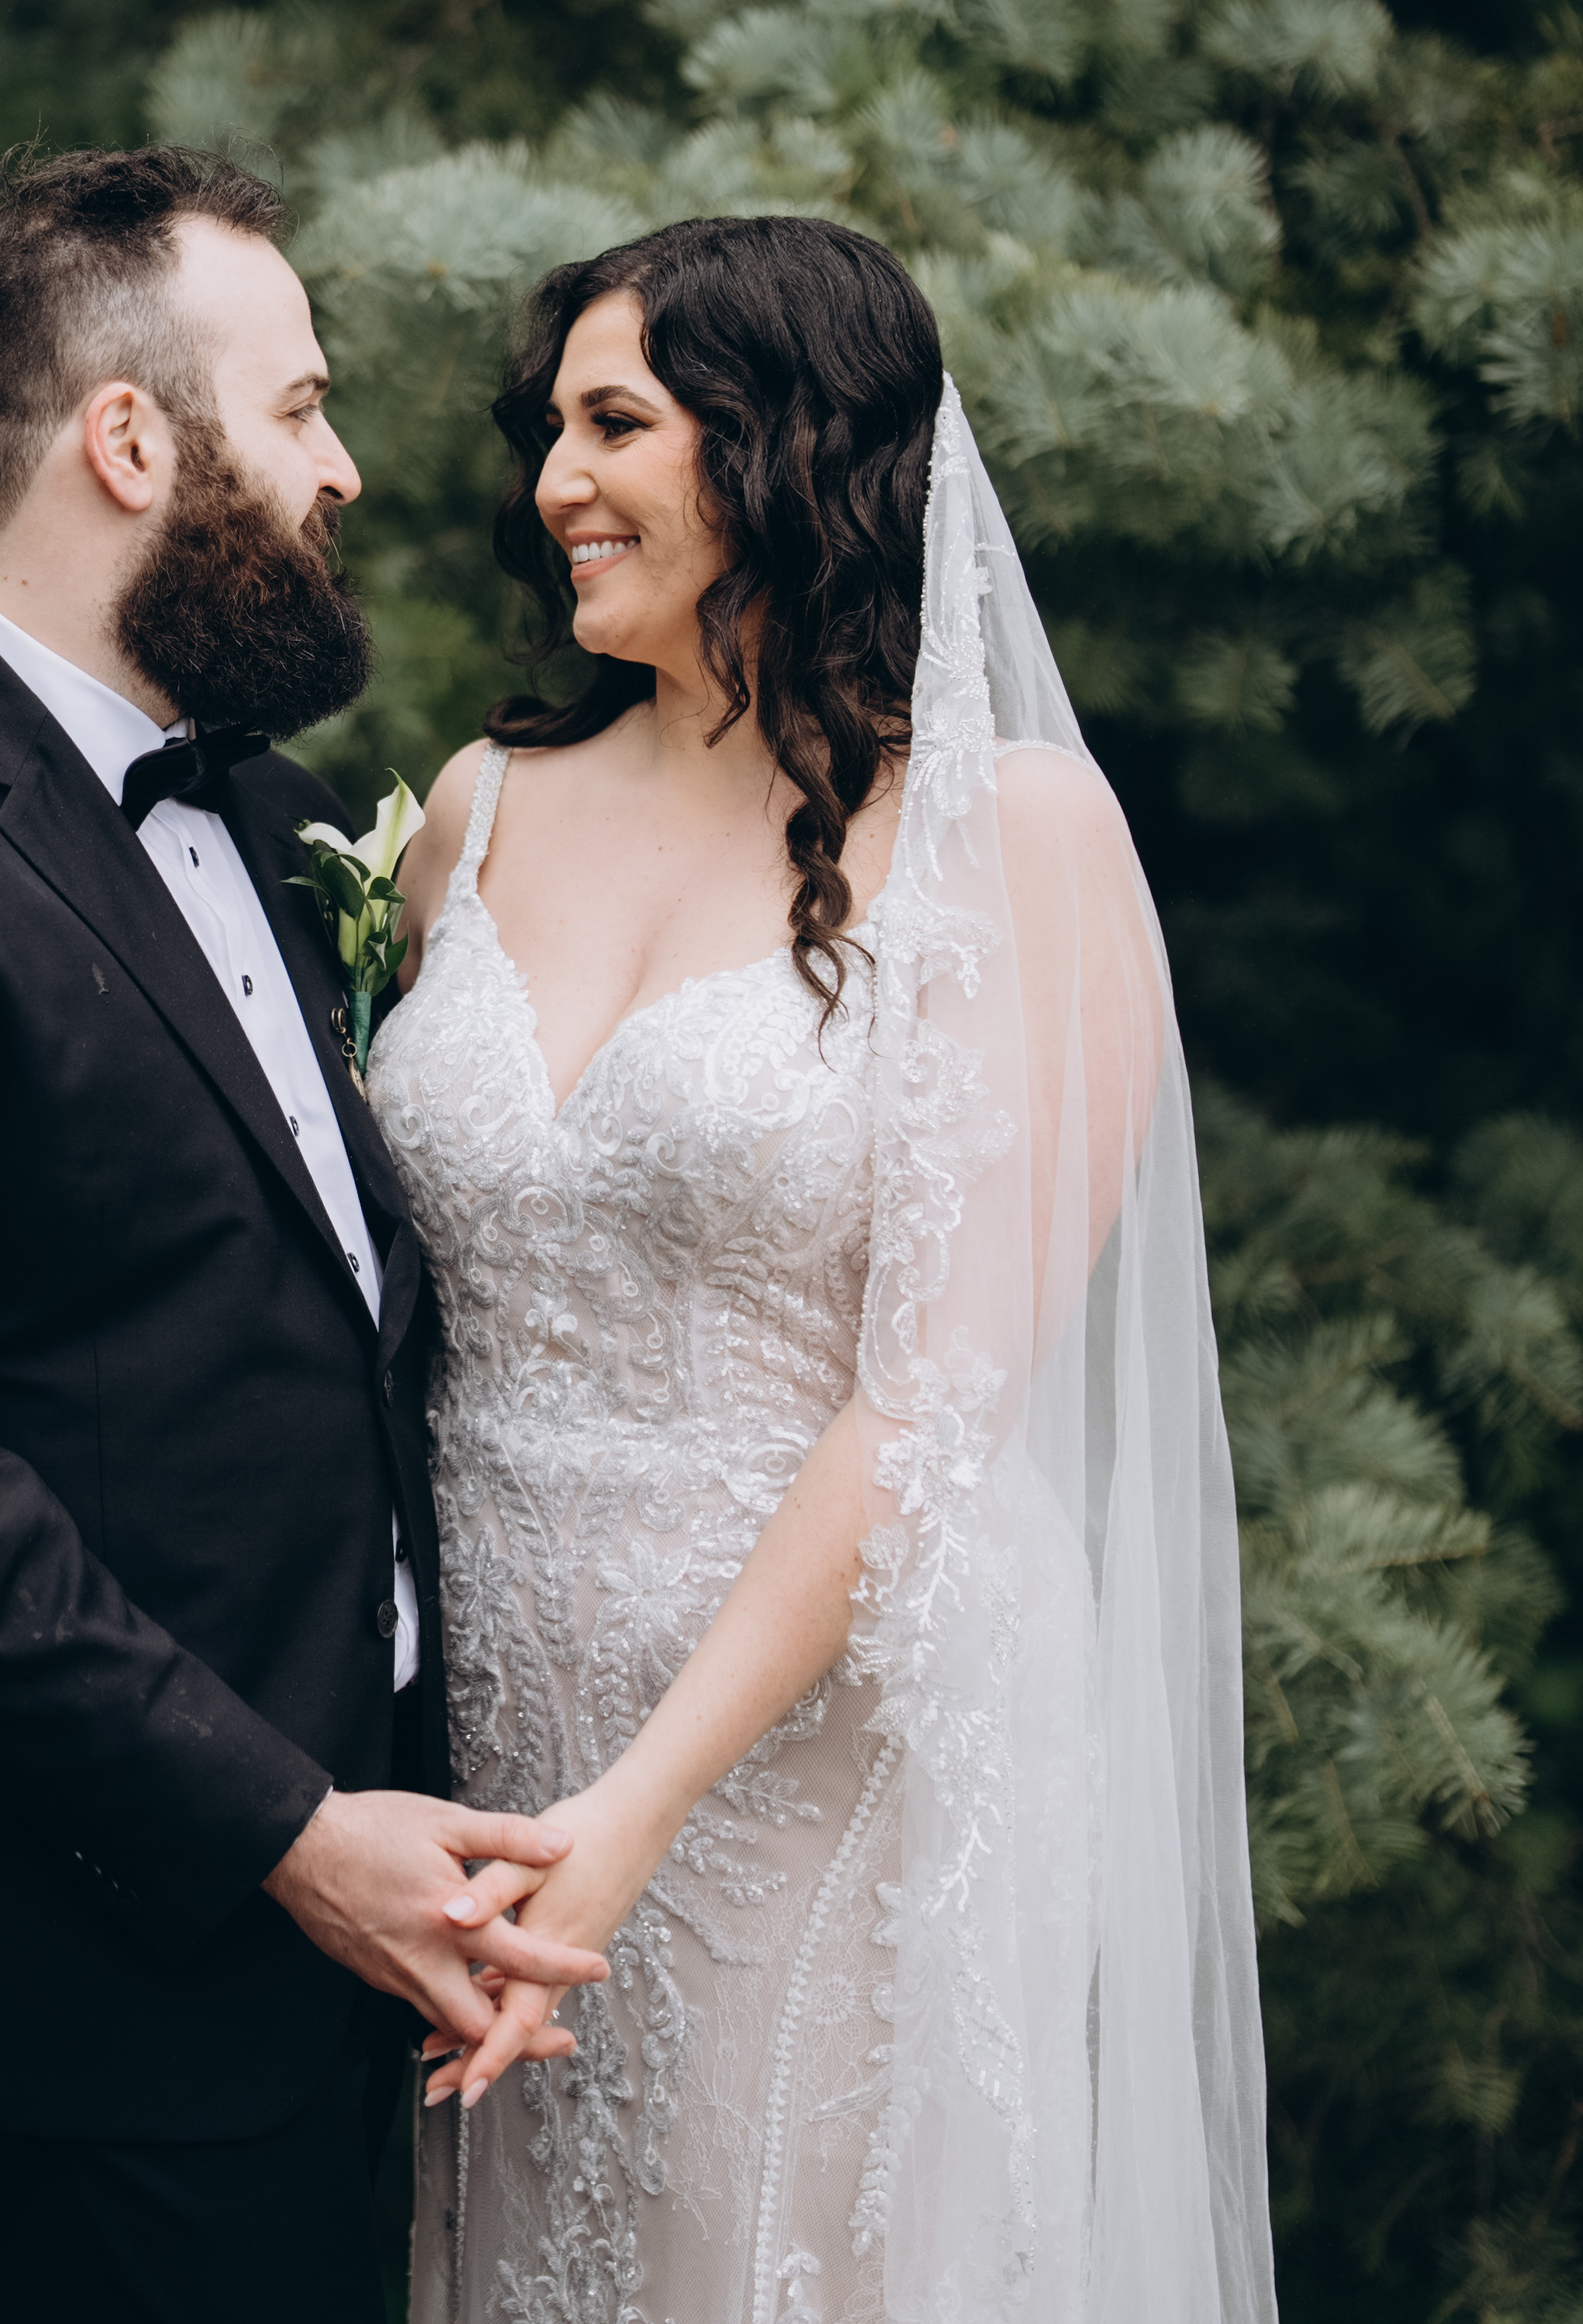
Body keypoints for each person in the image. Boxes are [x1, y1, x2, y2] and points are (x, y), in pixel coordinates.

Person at [0, 146, 606, 2324]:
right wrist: (287, 1834)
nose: (343, 469)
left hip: (408, 1892)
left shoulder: (259, 803)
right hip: (113, 1938)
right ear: (129, 441)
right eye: (302, 405)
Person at [372, 217, 1278, 2324]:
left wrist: (633, 1814)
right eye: (548, 430)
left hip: (815, 1757)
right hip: (481, 1755)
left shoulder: (1011, 838)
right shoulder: (474, 813)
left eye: (615, 425)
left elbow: (935, 1399)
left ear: (781, 448)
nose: (554, 482)